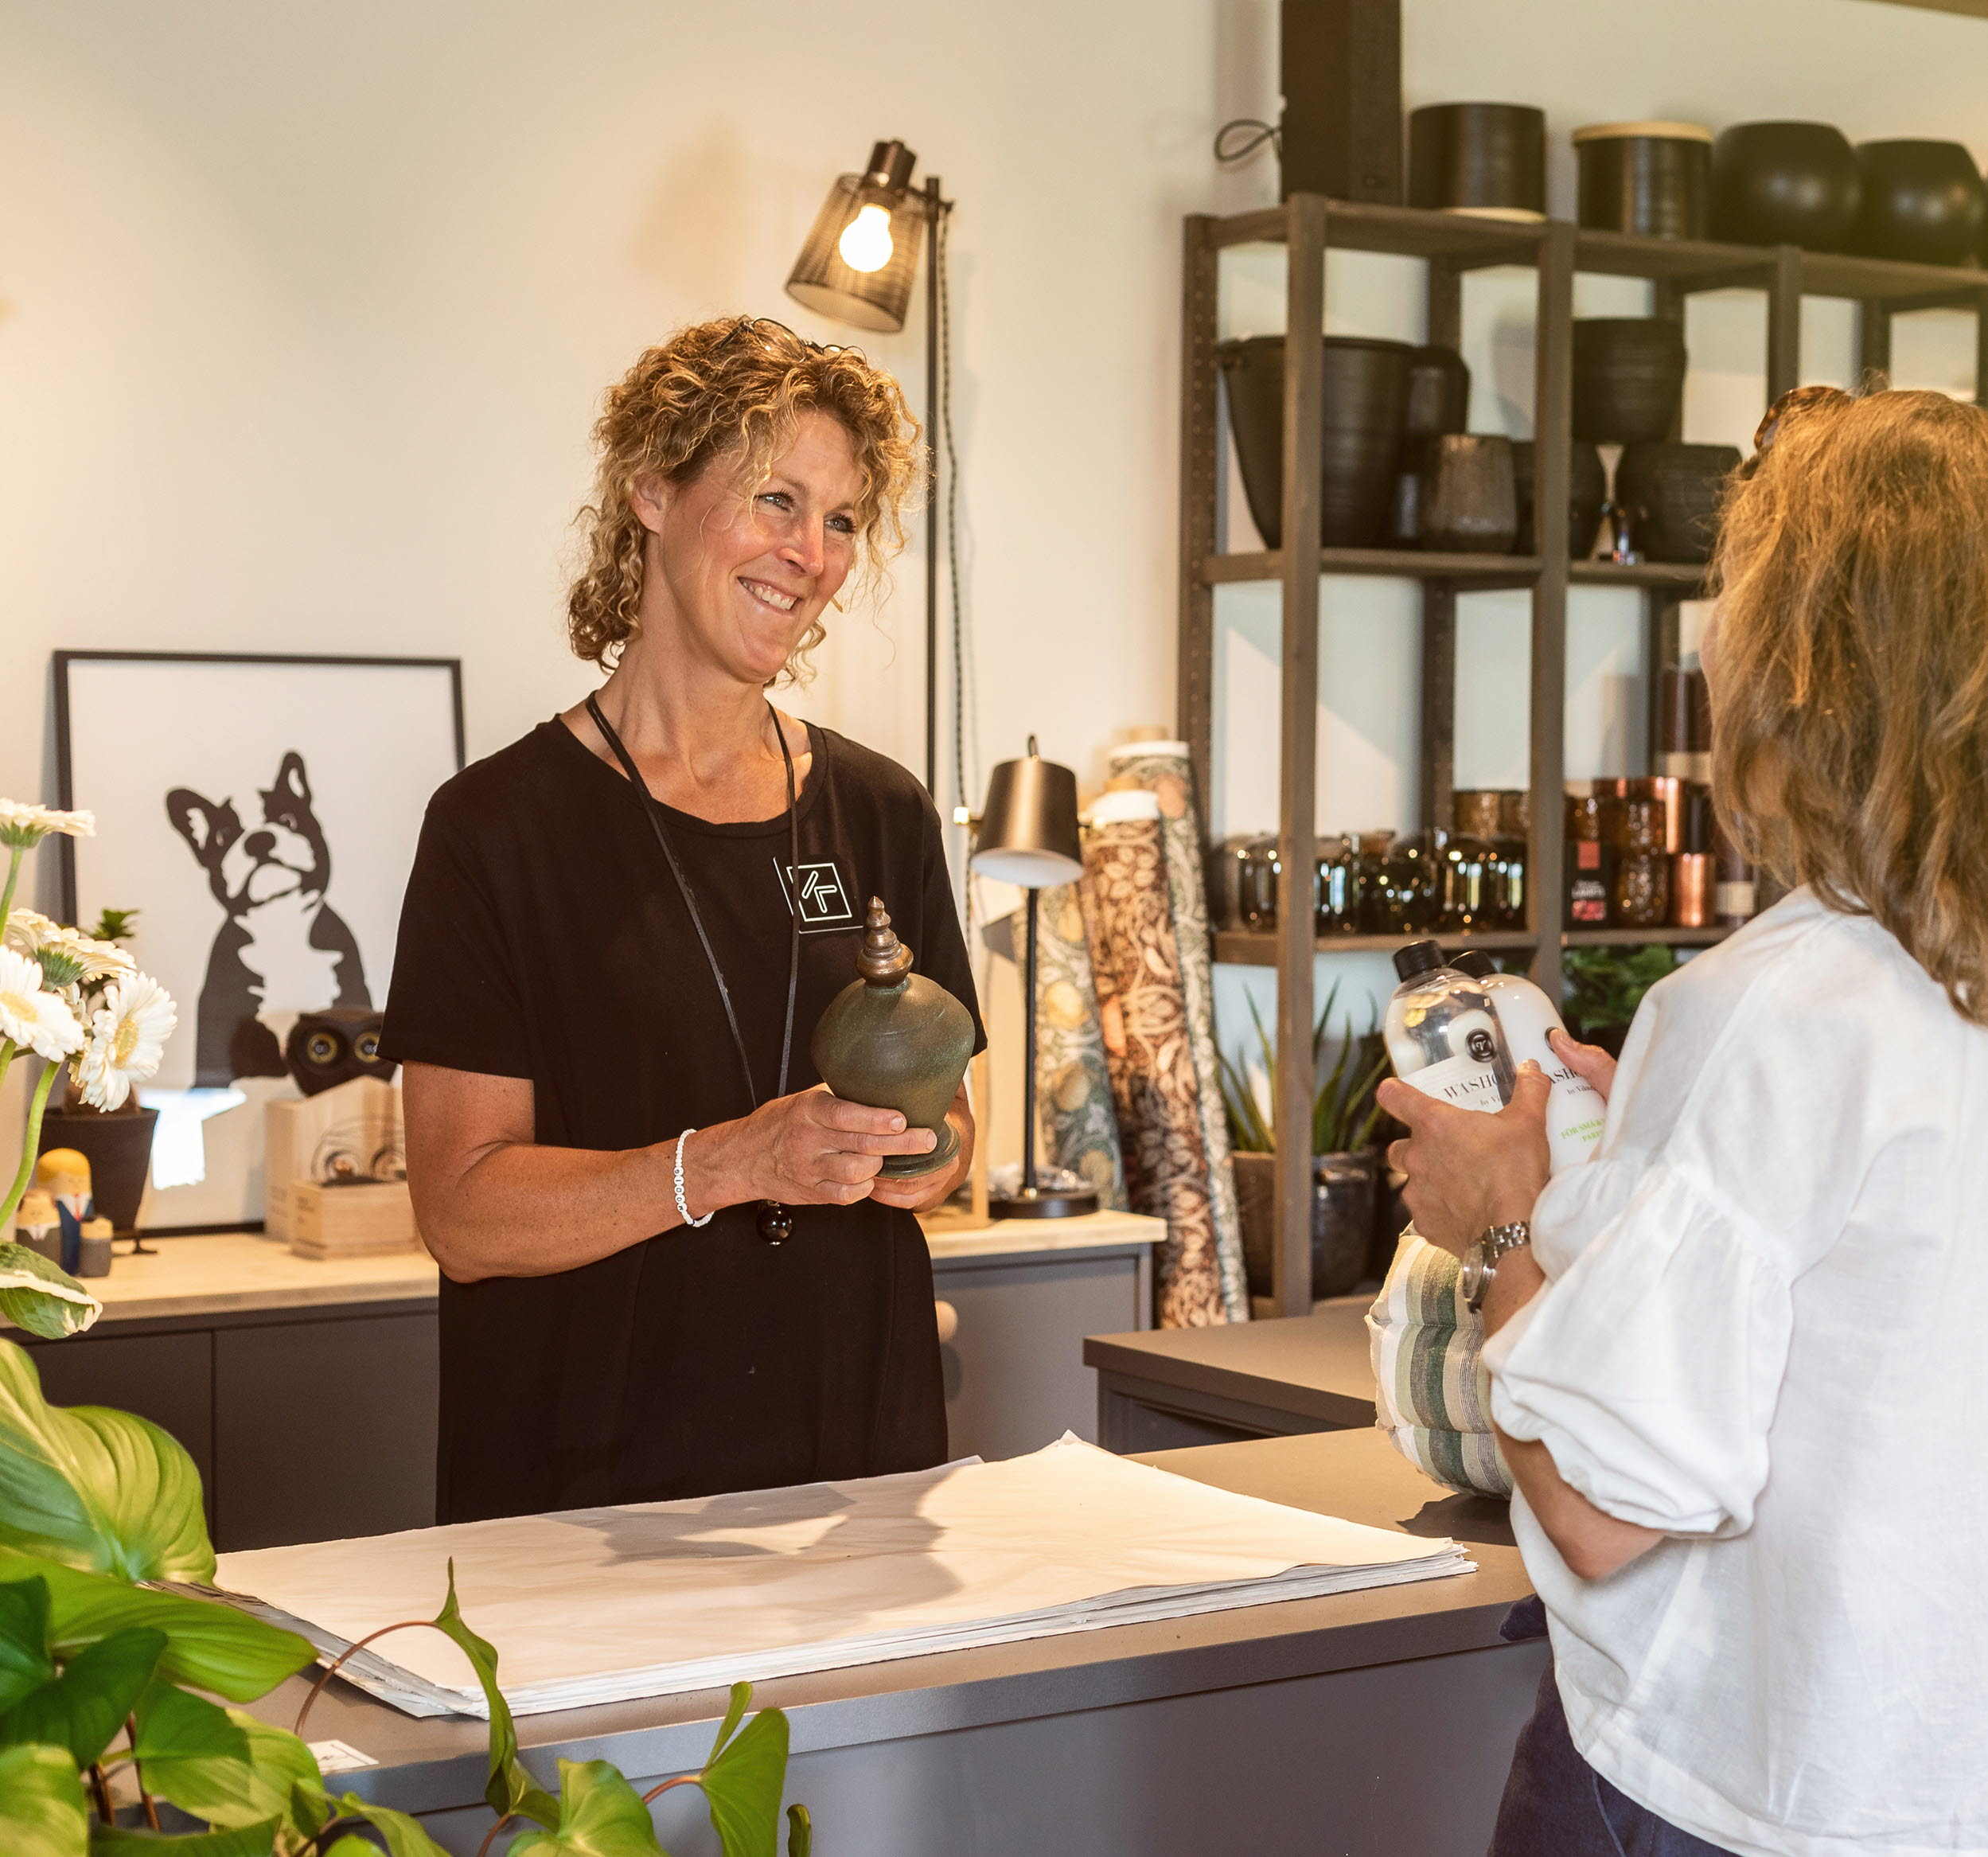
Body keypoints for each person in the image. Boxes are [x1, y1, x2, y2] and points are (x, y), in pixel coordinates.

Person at [1378, 386, 1988, 1855]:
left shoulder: (1777, 1005)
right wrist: (1648, 1146)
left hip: (1725, 1792)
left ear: (1800, 662)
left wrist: (1499, 1218)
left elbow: (1599, 1510)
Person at [382, 316, 982, 1524]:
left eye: (842, 520)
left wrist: (928, 1154)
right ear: (652, 491)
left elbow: (951, 1121)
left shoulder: (880, 810)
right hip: (588, 1496)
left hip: (859, 1475)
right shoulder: (497, 830)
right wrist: (737, 1160)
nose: (810, 554)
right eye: (776, 499)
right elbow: (462, 1214)